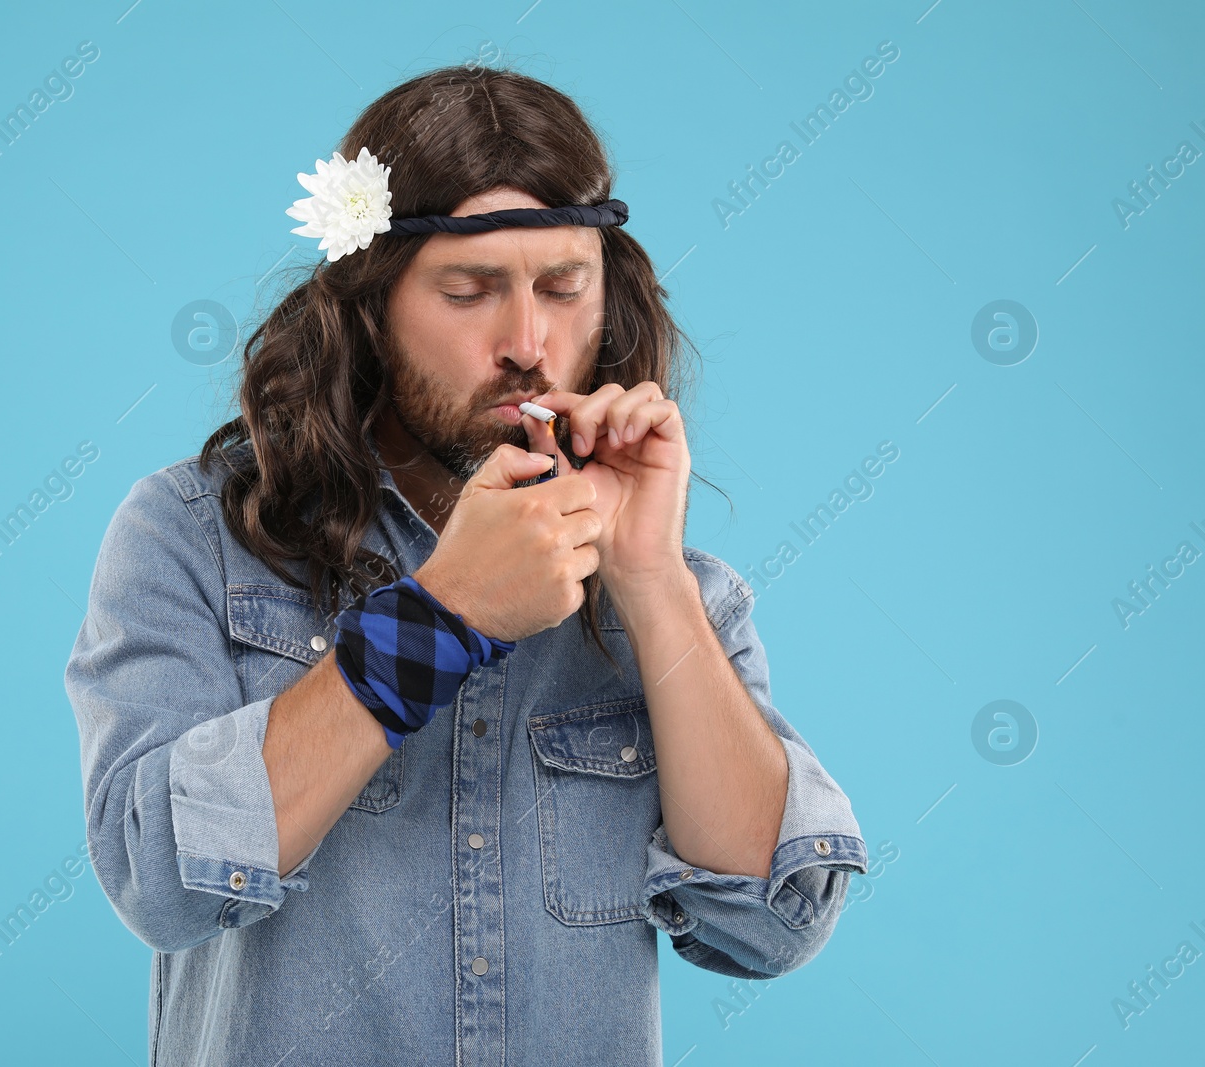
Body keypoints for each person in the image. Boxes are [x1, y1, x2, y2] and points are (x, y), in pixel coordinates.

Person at [65, 63, 866, 1067]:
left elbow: (771, 922)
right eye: (468, 290)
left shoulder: (682, 588)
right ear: (369, 302)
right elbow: (160, 879)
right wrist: (441, 617)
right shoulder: (189, 535)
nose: (527, 343)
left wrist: (650, 581)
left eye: (563, 288)